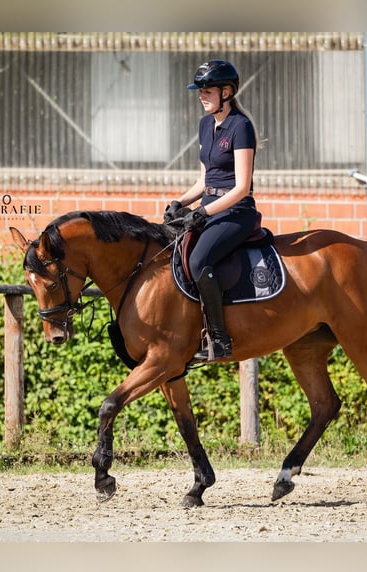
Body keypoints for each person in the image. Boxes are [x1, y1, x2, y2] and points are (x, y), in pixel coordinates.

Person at [163, 59, 260, 362]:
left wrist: (203, 213)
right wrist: (180, 203)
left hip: (237, 211)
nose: (201, 96)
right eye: (200, 91)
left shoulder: (241, 127)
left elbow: (242, 187)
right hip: (208, 208)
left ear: (227, 92)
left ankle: (219, 338)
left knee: (199, 259)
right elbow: (203, 180)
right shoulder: (206, 124)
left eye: (207, 91)